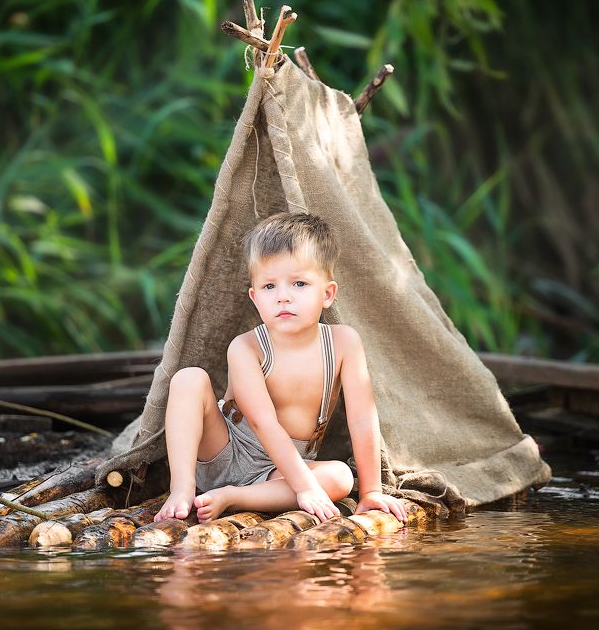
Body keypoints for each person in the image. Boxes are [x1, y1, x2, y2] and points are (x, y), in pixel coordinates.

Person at [154, 212, 408, 524]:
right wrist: (304, 487)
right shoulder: (247, 348)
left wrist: (371, 491)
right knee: (188, 378)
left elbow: (362, 417)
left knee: (341, 477)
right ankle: (181, 488)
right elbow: (263, 422)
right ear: (255, 297)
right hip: (226, 449)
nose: (283, 297)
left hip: (280, 472)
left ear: (327, 294)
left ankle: (233, 497)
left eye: (299, 283)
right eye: (269, 286)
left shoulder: (344, 344)